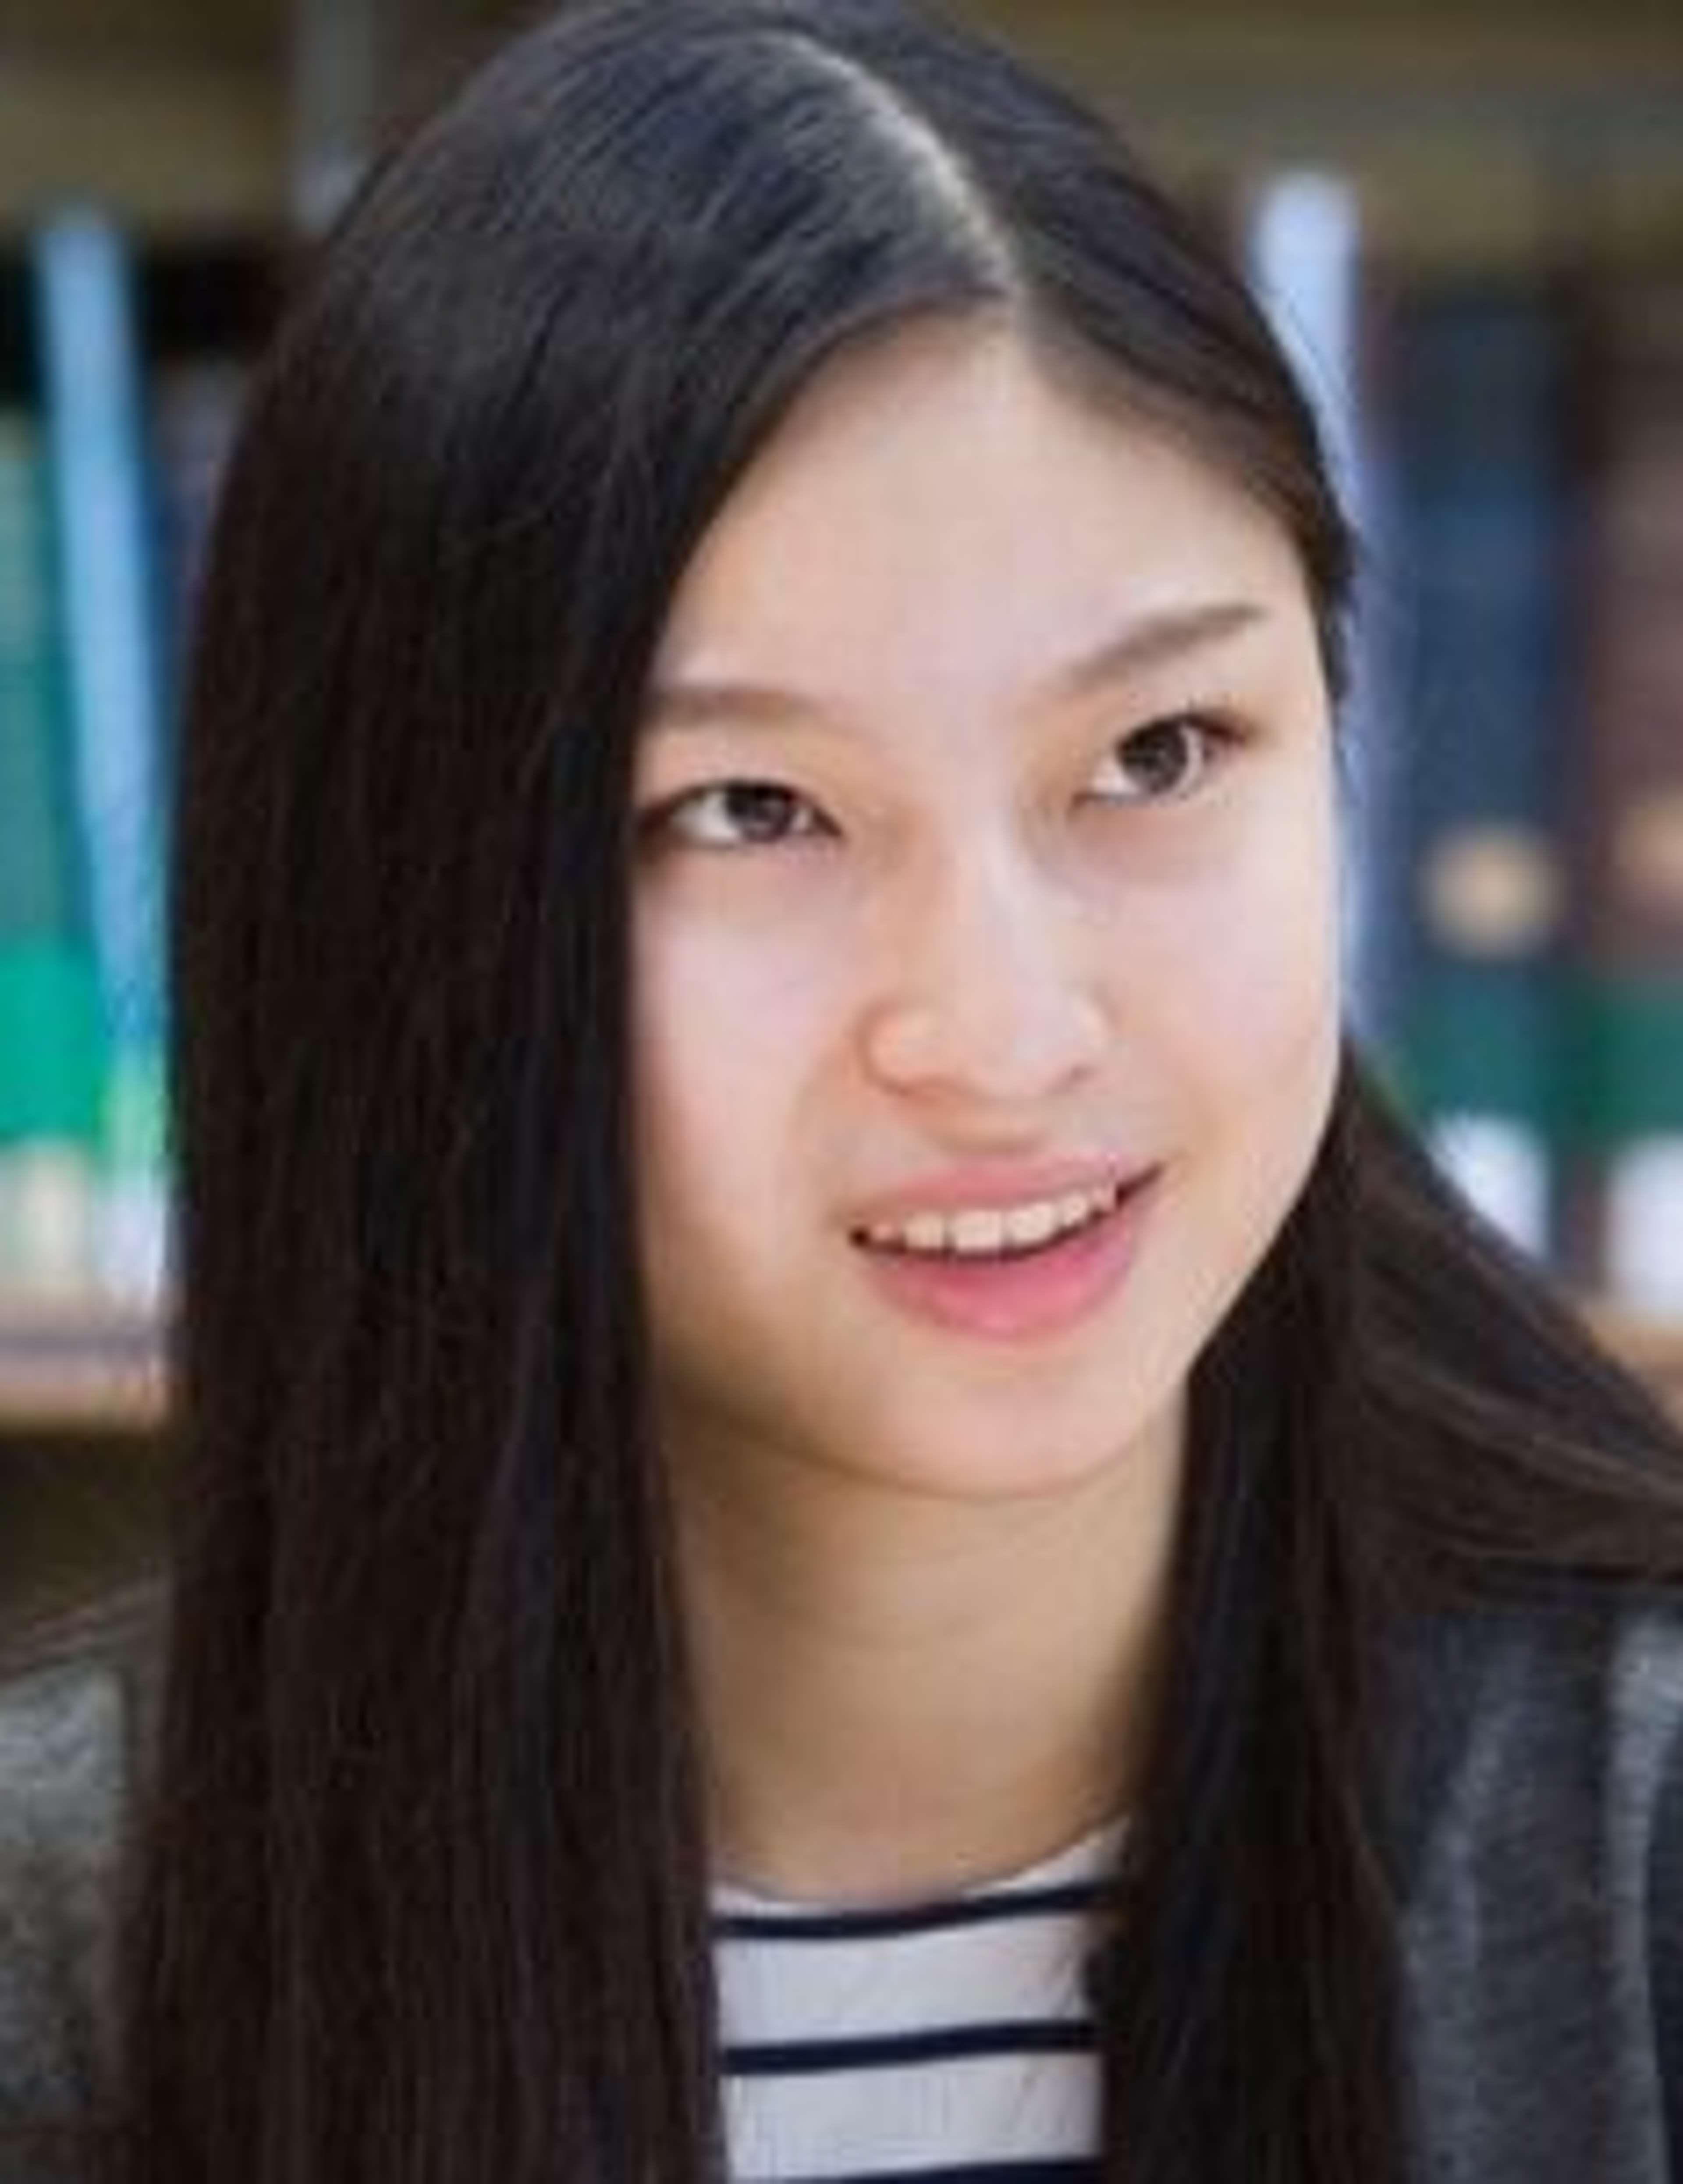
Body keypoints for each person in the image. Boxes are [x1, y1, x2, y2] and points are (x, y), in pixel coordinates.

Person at [2, 0, 1681, 2177]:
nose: (1002, 1029)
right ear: (401, 909)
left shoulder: (1630, 1851)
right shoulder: (67, 1961)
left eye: (1160, 755)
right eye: (750, 809)